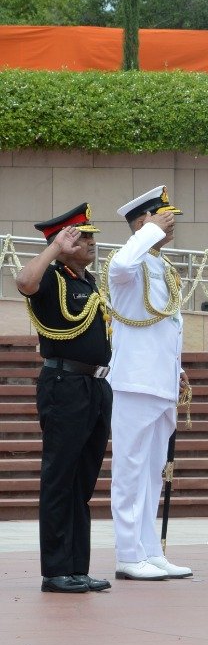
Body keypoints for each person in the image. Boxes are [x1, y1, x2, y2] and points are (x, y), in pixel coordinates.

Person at [18, 204, 113, 594]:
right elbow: (24, 282)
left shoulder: (88, 282)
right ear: (63, 241)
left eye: (91, 236)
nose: (91, 243)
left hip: (95, 386)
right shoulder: (52, 277)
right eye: (82, 237)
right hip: (64, 384)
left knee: (82, 481)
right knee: (60, 478)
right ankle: (56, 570)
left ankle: (77, 566)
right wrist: (54, 248)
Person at [105, 185, 193, 582]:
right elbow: (122, 264)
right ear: (143, 222)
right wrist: (148, 232)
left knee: (155, 470)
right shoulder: (126, 264)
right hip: (135, 382)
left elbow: (169, 326)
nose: (171, 223)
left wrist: (177, 371)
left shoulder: (163, 267)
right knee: (130, 469)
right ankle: (127, 553)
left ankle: (149, 549)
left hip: (161, 382)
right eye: (163, 216)